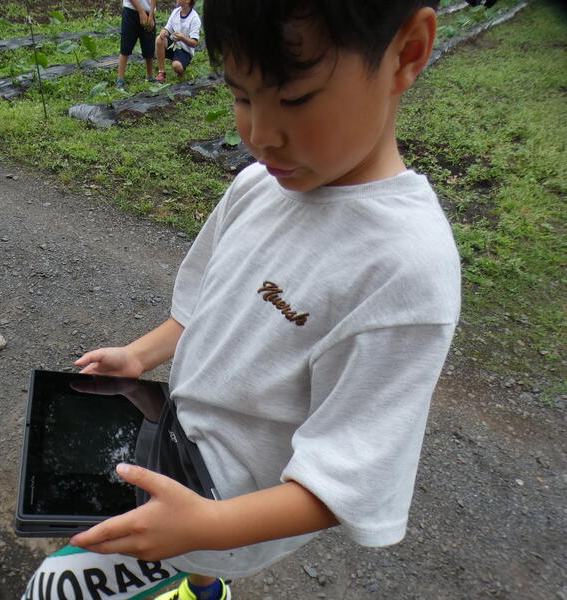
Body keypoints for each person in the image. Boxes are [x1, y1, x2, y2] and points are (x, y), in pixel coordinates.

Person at [23, 1, 461, 599]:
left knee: (53, 587)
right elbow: (201, 305)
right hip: (175, 435)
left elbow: (344, 482)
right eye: (241, 96)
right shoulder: (257, 185)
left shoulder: (404, 270)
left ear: (407, 53)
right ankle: (202, 586)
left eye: (295, 99)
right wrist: (139, 356)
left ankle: (203, 572)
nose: (260, 135)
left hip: (232, 509)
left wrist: (204, 528)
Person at [155, 0, 202, 83]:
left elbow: (194, 43)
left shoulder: (194, 18)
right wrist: (164, 32)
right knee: (159, 39)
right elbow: (168, 28)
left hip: (185, 50)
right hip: (173, 44)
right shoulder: (176, 12)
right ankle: (161, 72)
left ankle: (181, 70)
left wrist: (183, 38)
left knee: (177, 66)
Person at [118, 0, 158, 89]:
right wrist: (141, 11)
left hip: (148, 13)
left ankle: (150, 76)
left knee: (149, 44)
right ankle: (120, 79)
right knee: (126, 46)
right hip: (131, 11)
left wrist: (151, 15)